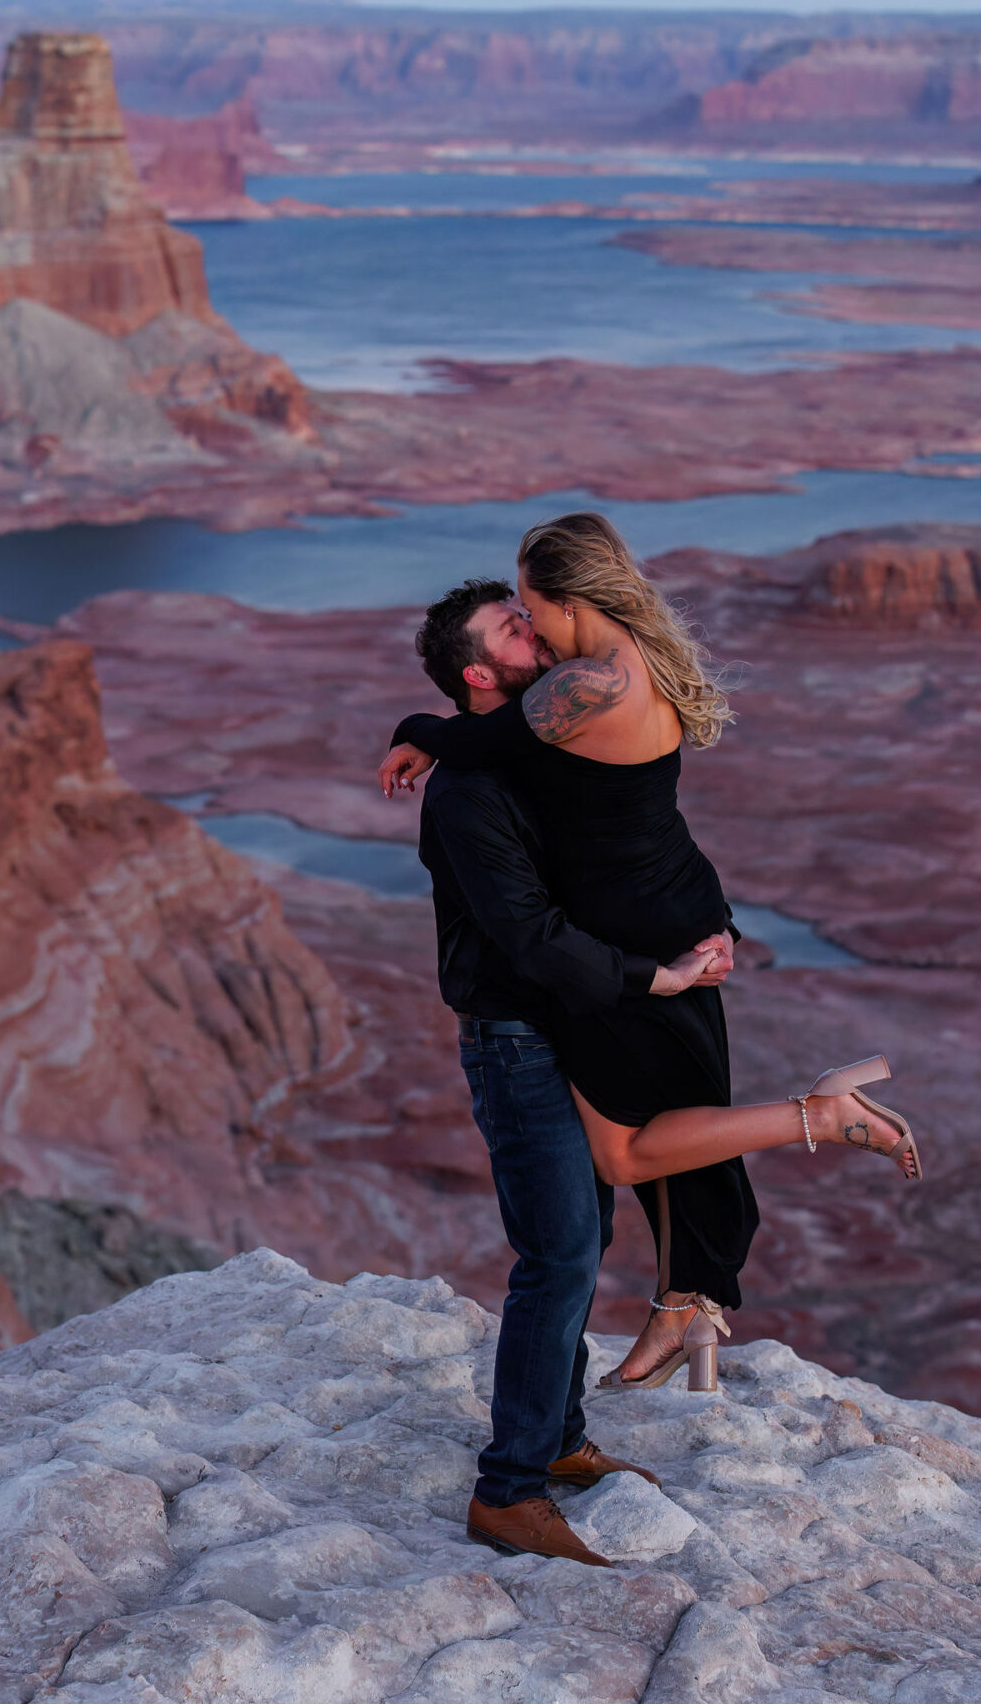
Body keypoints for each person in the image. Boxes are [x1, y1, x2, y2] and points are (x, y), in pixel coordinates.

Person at [381, 513, 921, 1392]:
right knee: (677, 1126)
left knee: (626, 1153)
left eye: (527, 604)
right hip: (663, 910)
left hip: (635, 937)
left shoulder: (587, 684)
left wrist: (415, 722)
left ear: (567, 599)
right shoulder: (626, 651)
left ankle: (820, 1116)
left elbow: (480, 739)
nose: (528, 620)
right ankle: (688, 1309)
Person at [406, 576, 742, 1569]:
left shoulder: (545, 749)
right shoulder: (470, 793)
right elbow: (531, 935)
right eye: (515, 628)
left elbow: (632, 862)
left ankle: (556, 1437)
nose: (538, 630)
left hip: (574, 1027)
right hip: (518, 1036)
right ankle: (508, 1490)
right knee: (556, 1252)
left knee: (585, 1237)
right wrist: (655, 975)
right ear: (479, 672)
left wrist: (702, 933)